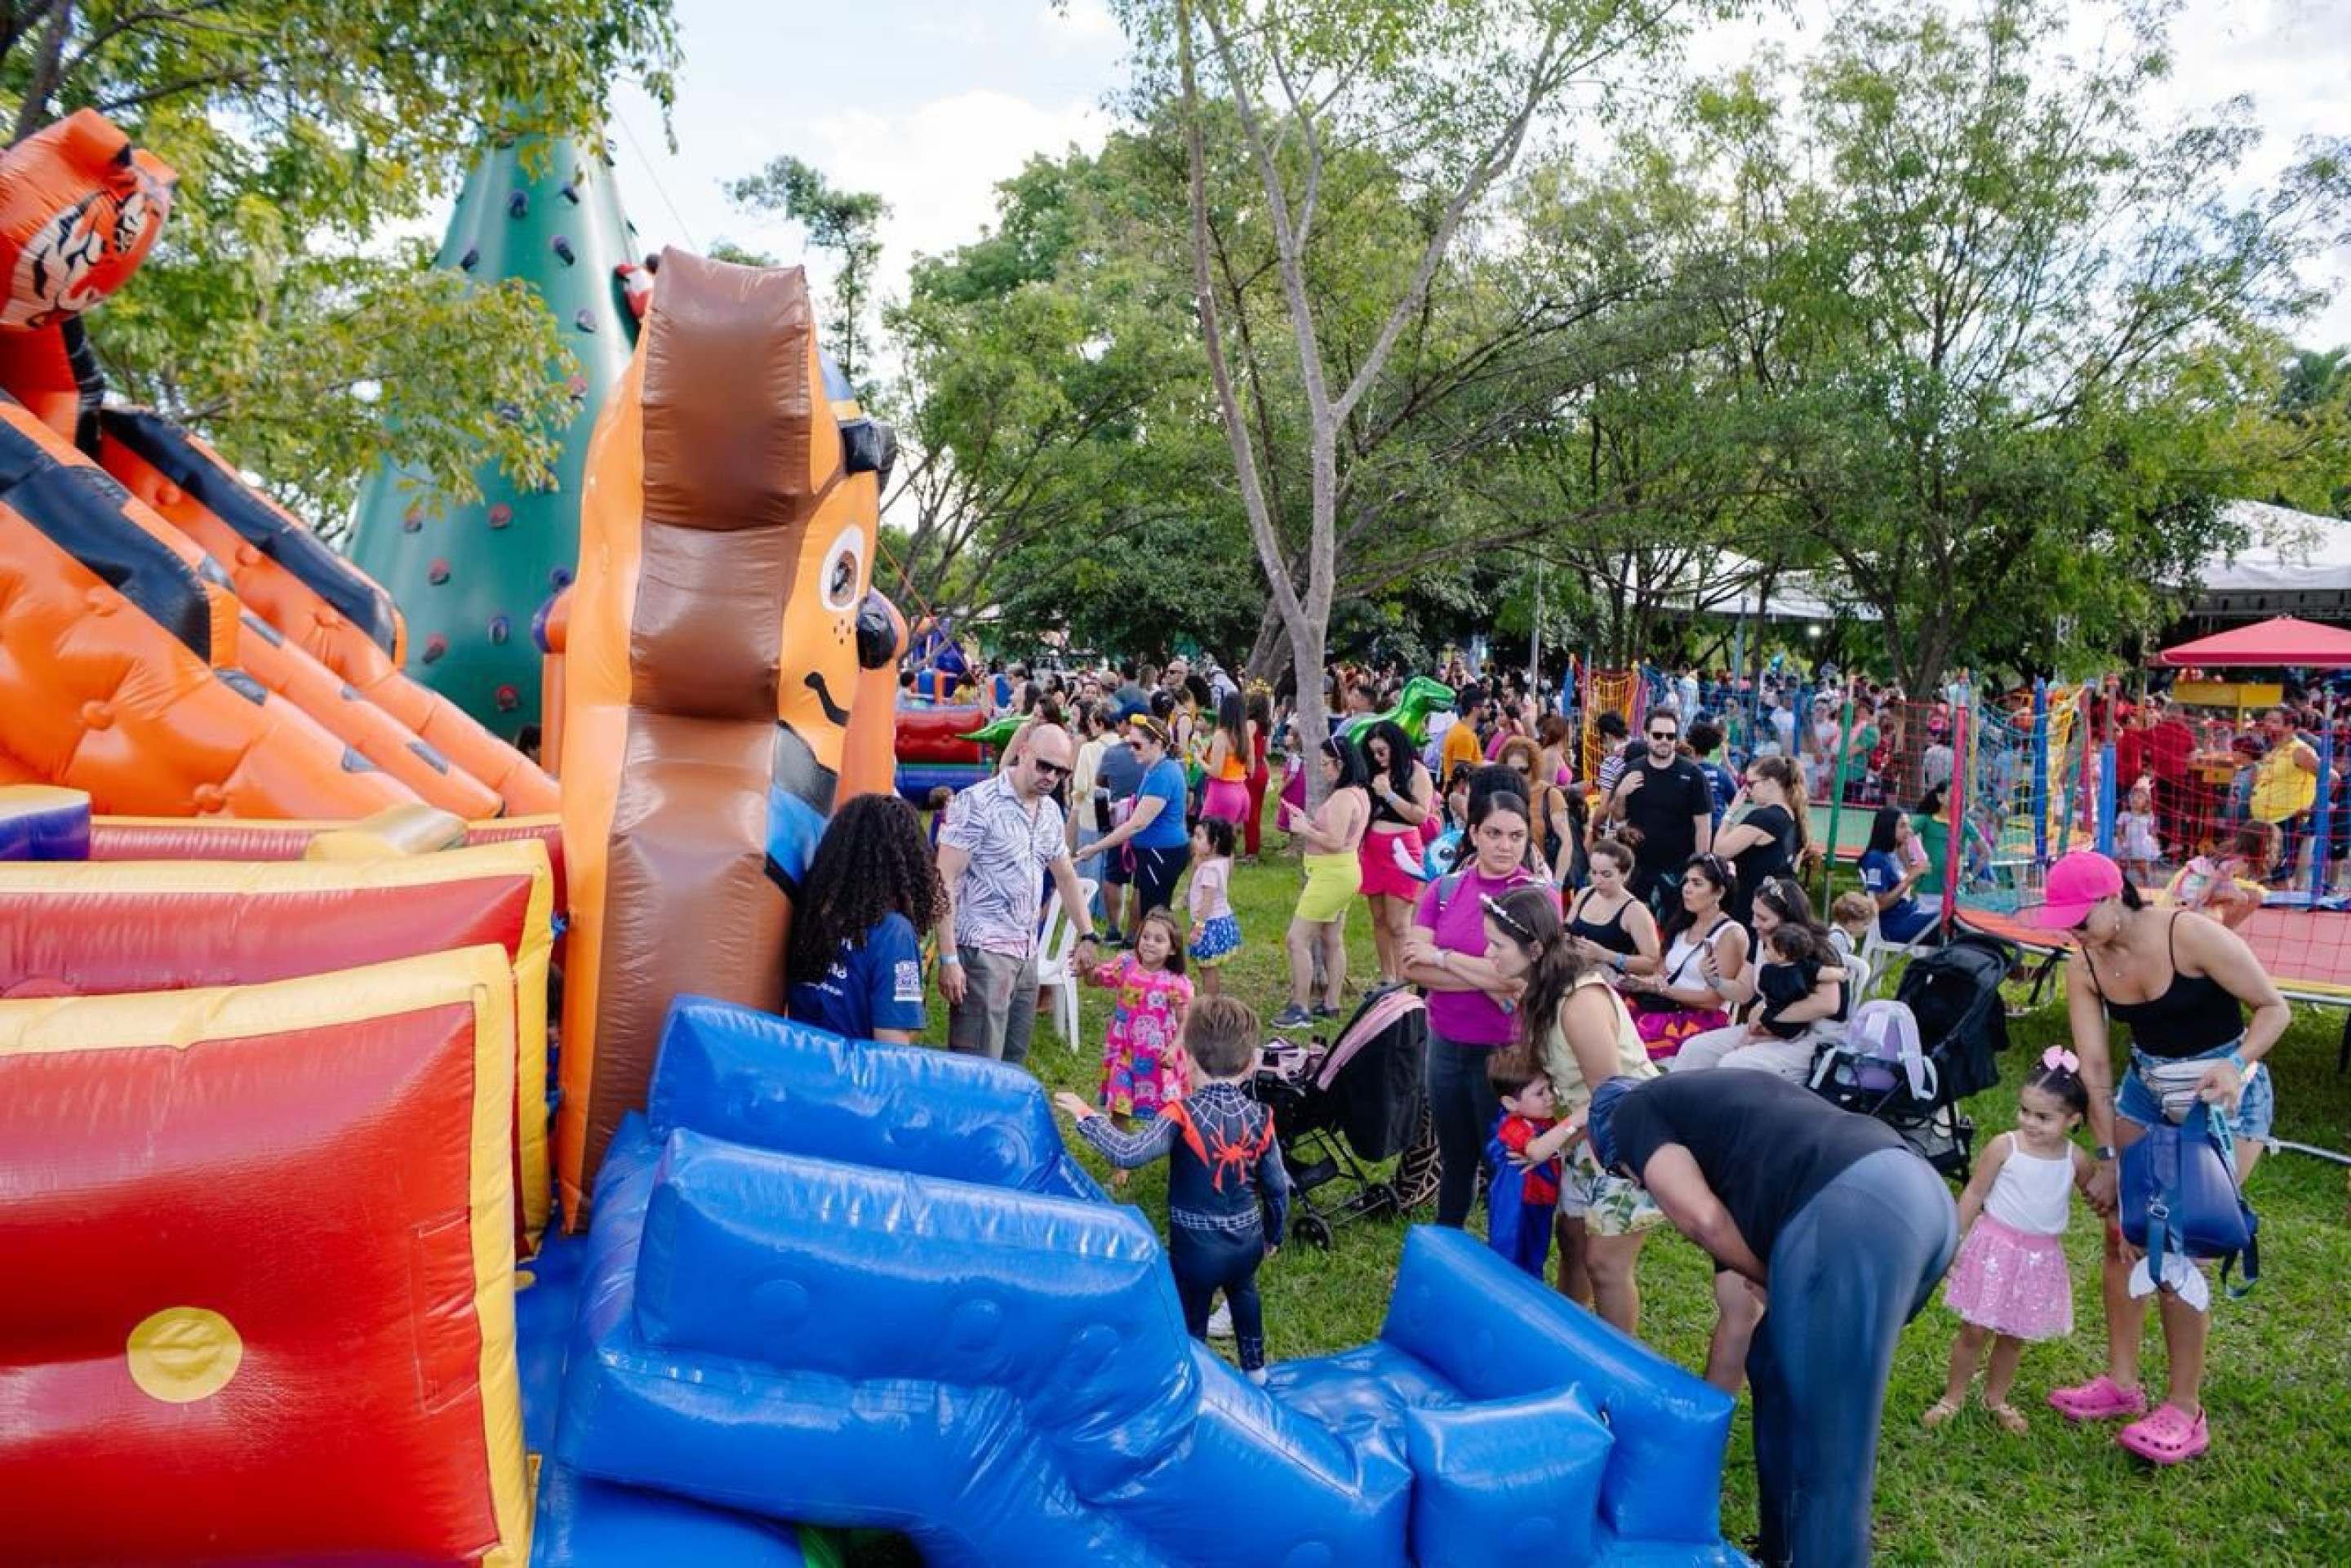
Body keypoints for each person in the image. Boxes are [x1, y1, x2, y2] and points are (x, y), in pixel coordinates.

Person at [1580, 1071, 1958, 1568]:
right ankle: (1780, 1550)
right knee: (1771, 1363)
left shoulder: (1633, 1112)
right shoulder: (1714, 1111)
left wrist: (1781, 1278)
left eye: (1623, 1173)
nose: (1635, 1182)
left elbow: (1703, 1220)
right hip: (1921, 1201)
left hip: (1855, 1216)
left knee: (1829, 1461)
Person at [2037, 851, 2289, 1464]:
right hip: (2147, 1091)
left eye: (2080, 916)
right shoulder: (2087, 961)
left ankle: (2184, 1407)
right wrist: (2108, 1156)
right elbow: (2094, 1066)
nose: (2073, 929)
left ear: (2114, 898)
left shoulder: (2189, 932)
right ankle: (2122, 1384)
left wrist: (2236, 1065)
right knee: (2124, 1230)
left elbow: (2274, 1008)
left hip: (2223, 1095)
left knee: (2179, 1243)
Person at [1056, 997, 1290, 1382]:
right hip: (1247, 1241)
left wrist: (1086, 1116)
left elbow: (1128, 1152)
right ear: (1250, 1065)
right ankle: (1257, 1373)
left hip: (1195, 1249)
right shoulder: (1261, 1116)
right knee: (1244, 1295)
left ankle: (1196, 1380)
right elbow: (1277, 1186)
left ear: (1189, 1058)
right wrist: (1273, 1235)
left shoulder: (1180, 1113)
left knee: (1191, 1316)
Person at [1484, 883, 1661, 1333]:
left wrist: (1548, 1140)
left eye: (1497, 946)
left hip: (1633, 1134)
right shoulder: (1540, 989)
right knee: (1572, 1242)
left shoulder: (1580, 1002)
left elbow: (1611, 1093)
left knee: (1604, 1264)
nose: (1489, 954)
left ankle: (1617, 1369)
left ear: (1535, 948)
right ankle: (1567, 1339)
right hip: (1585, 1132)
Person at [1399, 790, 1554, 1227]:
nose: (1505, 845)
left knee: (1505, 1163)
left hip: (1507, 1054)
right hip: (1445, 1046)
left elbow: (1519, 981)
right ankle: (1449, 1251)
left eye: (1517, 835)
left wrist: (1444, 959)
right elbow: (1414, 965)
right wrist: (1486, 977)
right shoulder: (1445, 889)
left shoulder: (1536, 898)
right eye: (1494, 833)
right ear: (1473, 835)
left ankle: (1504, 1265)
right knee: (1456, 1160)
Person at [1923, 1051, 2094, 1436]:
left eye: (2043, 1117)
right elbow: (1974, 1194)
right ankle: (1953, 1397)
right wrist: (1952, 1239)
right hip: (1994, 1251)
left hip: (2039, 1258)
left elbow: (2097, 1195)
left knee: (2013, 1337)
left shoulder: (2075, 1159)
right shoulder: (2005, 1147)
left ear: (2073, 1119)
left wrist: (2120, 1224)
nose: (2030, 1123)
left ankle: (1996, 1398)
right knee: (1974, 1330)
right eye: (2025, 1111)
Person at [936, 722, 1100, 1065]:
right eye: (1044, 765)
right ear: (1023, 752)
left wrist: (1088, 934)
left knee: (1012, 1066)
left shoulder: (1050, 812)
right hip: (982, 953)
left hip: (1026, 954)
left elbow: (1066, 877)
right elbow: (944, 879)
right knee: (979, 1069)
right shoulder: (977, 802)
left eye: (1061, 771)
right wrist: (949, 958)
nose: (1051, 777)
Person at [785, 794, 944, 1044]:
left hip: (801, 1069)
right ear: (907, 861)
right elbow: (892, 1048)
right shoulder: (893, 933)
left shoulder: (810, 917)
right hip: (855, 1079)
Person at [1086, 908, 1194, 1188]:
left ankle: (1182, 1165)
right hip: (1125, 1054)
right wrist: (1086, 968)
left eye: (1159, 940)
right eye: (1146, 936)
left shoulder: (1176, 983)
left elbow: (1186, 1023)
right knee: (1119, 1110)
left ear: (1173, 949)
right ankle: (1120, 1164)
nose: (1148, 943)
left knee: (1171, 1115)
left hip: (1160, 1060)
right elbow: (1094, 979)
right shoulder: (1126, 965)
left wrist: (1173, 1048)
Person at [1270, 735, 1371, 1029]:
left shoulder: (1342, 797)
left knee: (1297, 939)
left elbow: (1335, 841)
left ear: (1341, 764)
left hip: (1331, 874)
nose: (1324, 770)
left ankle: (1300, 1006)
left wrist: (1304, 829)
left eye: (1327, 764)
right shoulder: (1358, 793)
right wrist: (1309, 822)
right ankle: (1332, 1002)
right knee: (1332, 938)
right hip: (1344, 870)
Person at [1620, 855, 1744, 1062]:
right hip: (1667, 1005)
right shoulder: (1682, 926)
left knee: (1631, 1036)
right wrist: (1638, 983)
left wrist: (1662, 990)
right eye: (1686, 881)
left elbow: (1713, 1001)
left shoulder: (1731, 933)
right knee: (1610, 1005)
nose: (1687, 888)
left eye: (1697, 883)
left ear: (1719, 892)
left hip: (1701, 1017)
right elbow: (1660, 976)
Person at [1075, 716, 1191, 922]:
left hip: (1162, 853)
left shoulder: (1161, 775)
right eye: (1129, 743)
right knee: (1152, 911)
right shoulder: (1155, 769)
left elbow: (1137, 824)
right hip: (1156, 852)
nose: (1131, 750)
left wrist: (1095, 847)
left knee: (1156, 915)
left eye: (1137, 745)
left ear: (1157, 744)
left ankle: (1161, 951)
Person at [1606, 707, 1714, 925]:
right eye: (1658, 735)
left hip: (1677, 871)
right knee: (1633, 931)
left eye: (1670, 736)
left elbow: (1703, 826)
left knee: (1674, 931)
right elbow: (1618, 817)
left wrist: (1699, 870)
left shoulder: (1692, 775)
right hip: (1638, 869)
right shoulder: (1632, 770)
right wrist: (1620, 794)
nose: (1664, 740)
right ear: (1646, 736)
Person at [1358, 720, 1438, 986]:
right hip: (1372, 848)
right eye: (1373, 752)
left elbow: (1419, 816)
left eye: (1382, 751)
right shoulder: (1373, 771)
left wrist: (1389, 795)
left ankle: (1405, 982)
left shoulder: (1415, 772)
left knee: (1398, 923)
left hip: (1402, 849)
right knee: (1379, 918)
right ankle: (1387, 977)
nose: (1378, 758)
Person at [1484, 1056, 1564, 1279]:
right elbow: (1535, 1150)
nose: (1550, 1098)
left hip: (1541, 1202)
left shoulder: (1545, 1121)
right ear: (1511, 1103)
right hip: (1517, 1204)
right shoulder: (1513, 1125)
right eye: (1540, 1093)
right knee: (1510, 1255)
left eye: (1550, 1088)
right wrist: (1574, 1121)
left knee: (1535, 1255)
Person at [1713, 755, 1805, 929]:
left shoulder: (1764, 818)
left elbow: (1720, 851)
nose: (1747, 789)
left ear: (1770, 783)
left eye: (1751, 783)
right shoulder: (1797, 821)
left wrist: (1730, 813)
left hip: (1751, 911)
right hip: (1777, 912)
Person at [1564, 835, 1661, 984]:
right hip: (1573, 976)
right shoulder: (1584, 894)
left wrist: (1605, 955)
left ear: (1624, 874)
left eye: (1606, 875)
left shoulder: (1635, 911)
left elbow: (1653, 964)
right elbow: (1567, 930)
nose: (1598, 881)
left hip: (1608, 986)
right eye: (1594, 873)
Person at [1497, 735, 1576, 888]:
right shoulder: (1499, 796)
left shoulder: (1550, 795)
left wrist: (1557, 883)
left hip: (1540, 881)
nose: (1517, 776)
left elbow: (1566, 841)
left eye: (1523, 770)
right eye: (1511, 770)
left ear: (1534, 767)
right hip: (1505, 881)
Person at [2170, 822, 2272, 932]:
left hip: (2202, 883)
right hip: (2195, 885)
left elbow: (2224, 882)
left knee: (2246, 897)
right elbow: (2210, 884)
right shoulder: (2233, 860)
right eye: (2269, 842)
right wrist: (2192, 904)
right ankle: (2216, 928)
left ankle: (2224, 931)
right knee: (2237, 899)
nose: (2270, 847)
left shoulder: (2238, 855)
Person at [1859, 806, 1938, 944]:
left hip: (1908, 913)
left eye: (1908, 825)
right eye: (1903, 826)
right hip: (1893, 925)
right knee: (1946, 922)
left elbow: (1919, 871)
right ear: (1888, 828)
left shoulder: (1892, 854)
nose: (1909, 830)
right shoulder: (1875, 859)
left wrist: (1911, 848)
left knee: (1950, 915)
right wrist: (1908, 880)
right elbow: (1879, 904)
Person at [1186, 818, 1242, 995]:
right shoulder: (1222, 862)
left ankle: (1211, 1002)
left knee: (1208, 970)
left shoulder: (1209, 869)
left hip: (1209, 924)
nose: (1193, 840)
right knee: (1209, 968)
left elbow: (1207, 902)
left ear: (1215, 842)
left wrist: (1198, 928)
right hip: (1220, 920)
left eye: (1199, 837)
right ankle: (1212, 1000)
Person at [1198, 690, 1253, 829]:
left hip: (1222, 792)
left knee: (1207, 835)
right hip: (1242, 792)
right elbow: (1251, 769)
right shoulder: (1246, 737)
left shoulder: (1221, 735)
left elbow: (1216, 772)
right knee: (1228, 842)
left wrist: (1199, 759)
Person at [1242, 686, 1274, 860]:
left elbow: (1250, 748)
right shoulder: (1265, 726)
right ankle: (1252, 848)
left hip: (1254, 769)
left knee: (1251, 812)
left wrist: (1250, 769)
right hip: (1262, 768)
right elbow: (1266, 749)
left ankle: (1251, 852)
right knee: (1256, 811)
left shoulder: (1250, 724)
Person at [2117, 779, 2162, 886]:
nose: (2135, 799)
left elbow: (2152, 831)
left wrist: (2155, 842)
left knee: (2141, 864)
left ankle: (2146, 880)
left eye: (2140, 797)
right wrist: (2121, 838)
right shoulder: (2124, 815)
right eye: (2133, 796)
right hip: (2127, 843)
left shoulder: (2148, 816)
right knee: (2123, 864)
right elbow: (2119, 829)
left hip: (2142, 845)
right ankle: (2122, 883)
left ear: (2146, 802)